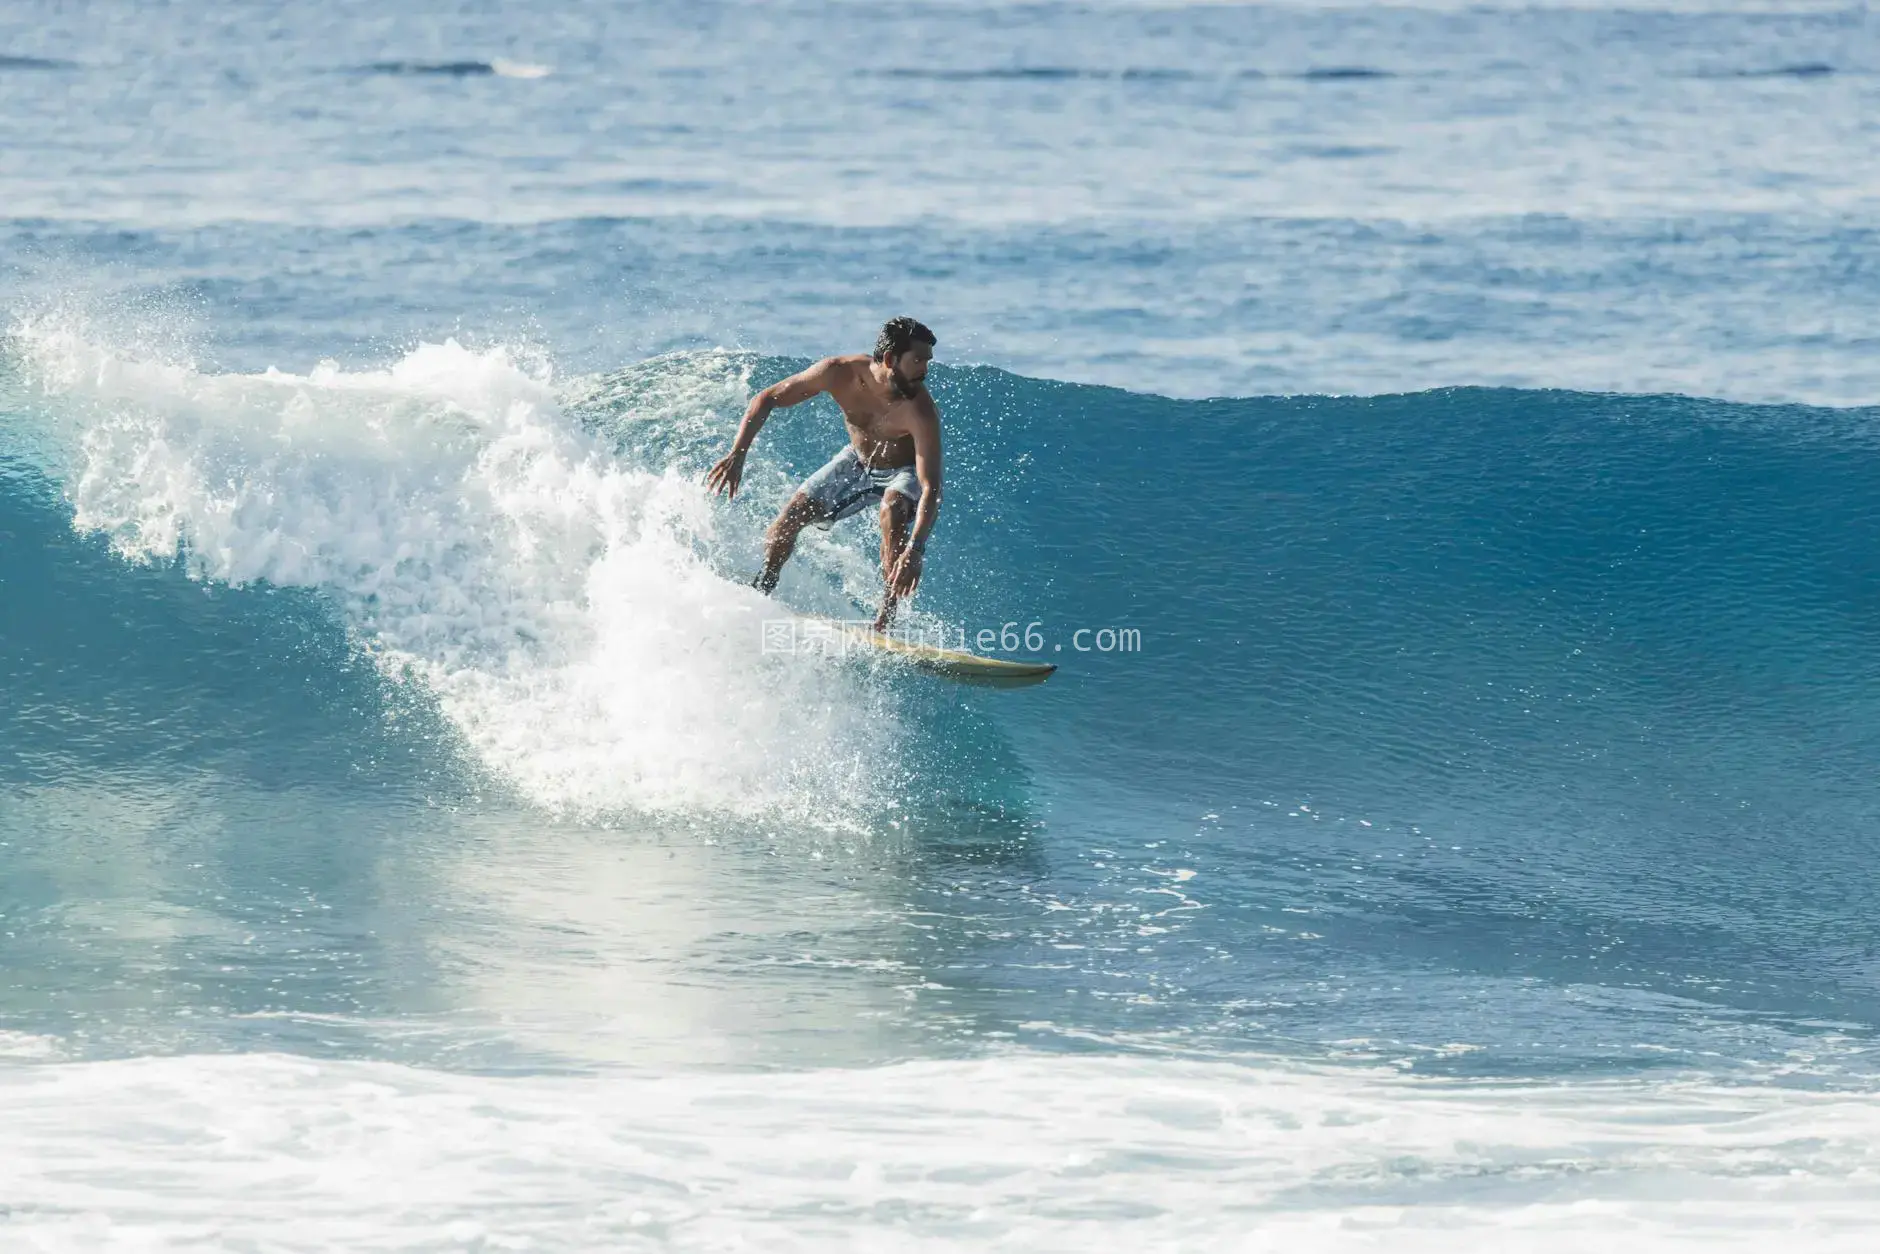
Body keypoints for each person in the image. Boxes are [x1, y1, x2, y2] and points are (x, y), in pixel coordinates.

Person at [705, 317, 942, 632]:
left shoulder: (920, 409)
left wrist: (915, 550)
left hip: (904, 471)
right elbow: (768, 398)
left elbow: (931, 487)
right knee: (786, 523)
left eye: (927, 361)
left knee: (893, 510)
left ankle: (884, 622)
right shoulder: (838, 372)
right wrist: (737, 453)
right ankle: (762, 588)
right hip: (856, 461)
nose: (925, 370)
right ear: (889, 359)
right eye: (917, 360)